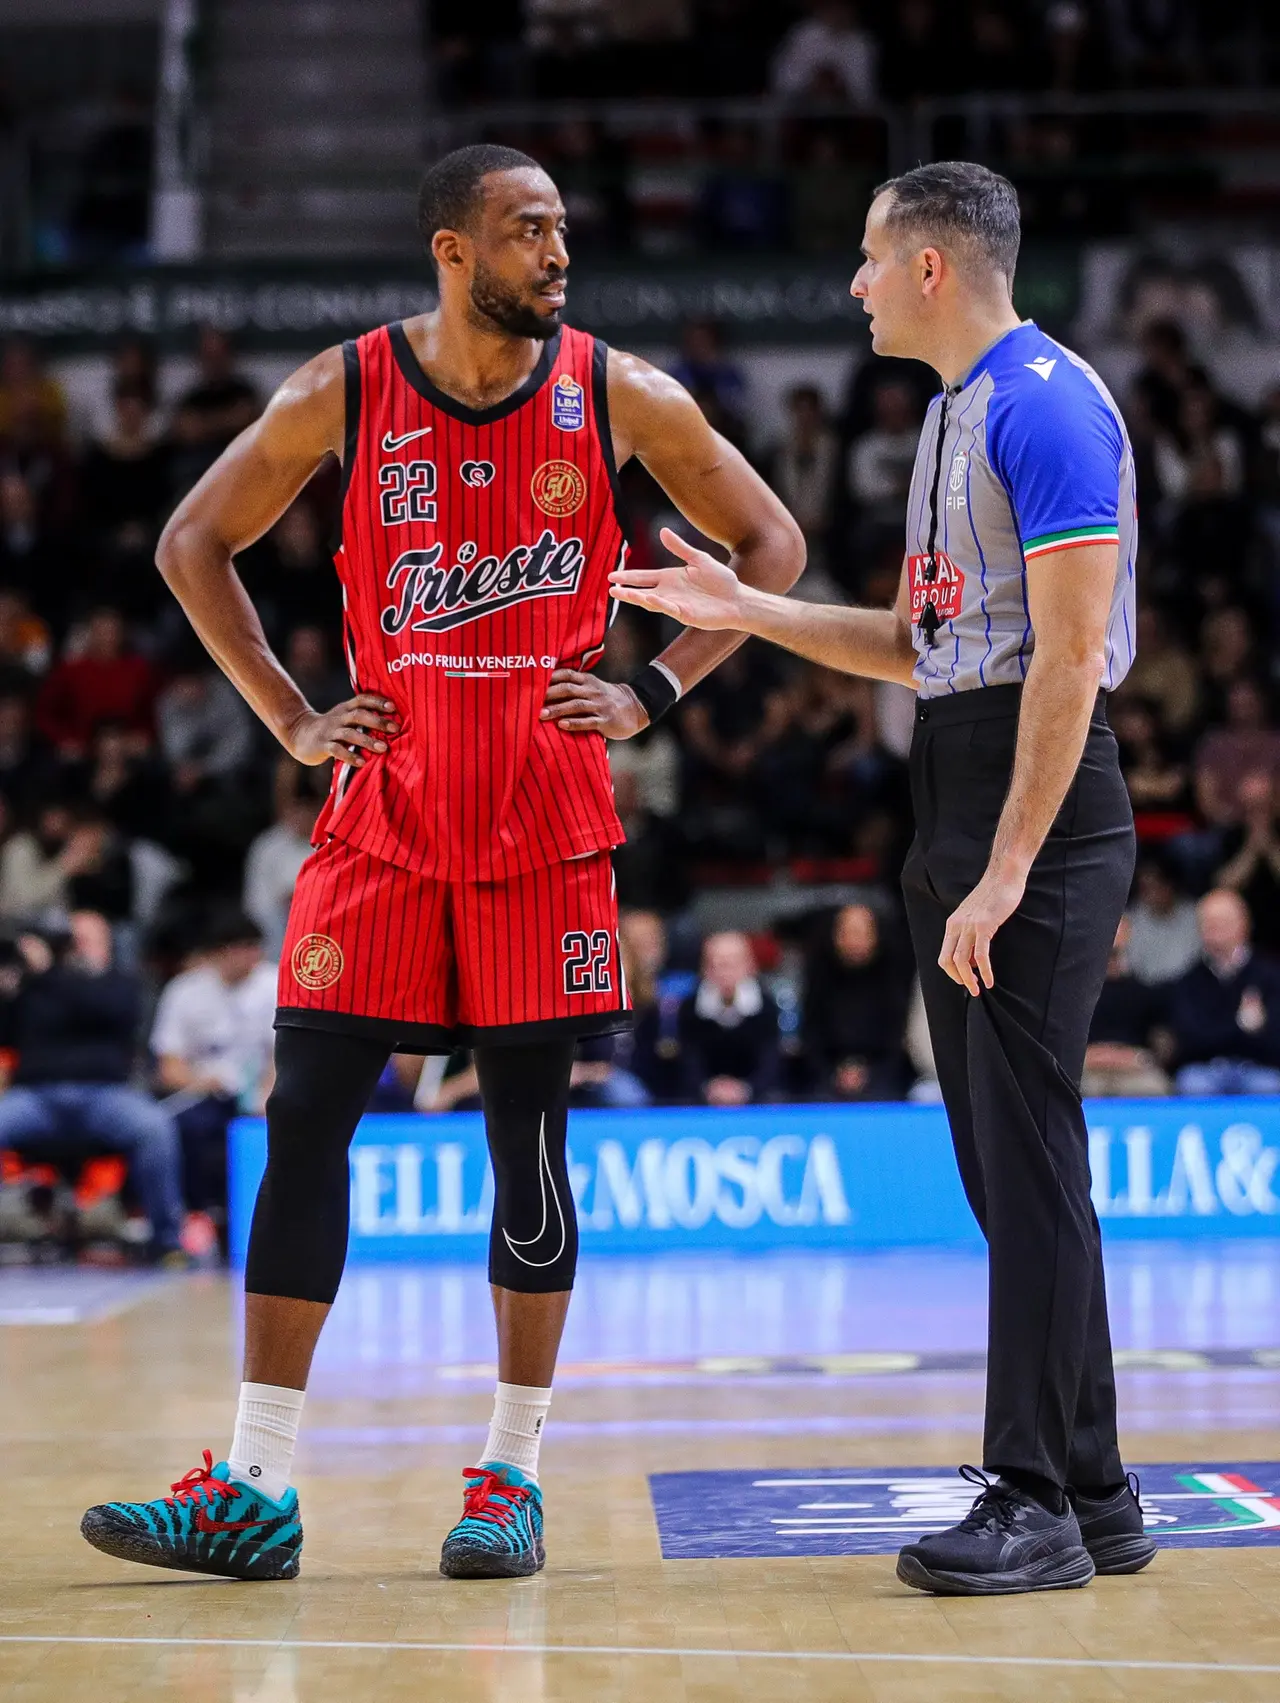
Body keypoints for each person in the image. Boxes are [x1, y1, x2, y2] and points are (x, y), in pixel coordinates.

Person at [80, 143, 803, 1583]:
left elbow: (770, 543)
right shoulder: (346, 388)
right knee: (303, 1122)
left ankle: (510, 1475)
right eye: (527, 229)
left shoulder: (620, 391)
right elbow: (190, 543)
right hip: (384, 823)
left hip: (545, 828)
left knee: (526, 1145)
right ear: (452, 249)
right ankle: (256, 1483)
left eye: (563, 229)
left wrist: (656, 688)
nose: (559, 252)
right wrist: (289, 713)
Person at [613, 160, 1155, 1594]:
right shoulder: (949, 412)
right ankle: (1095, 1487)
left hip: (1037, 802)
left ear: (929, 266)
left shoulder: (1045, 403)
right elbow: (923, 651)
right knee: (1009, 1166)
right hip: (957, 781)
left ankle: (1031, 1497)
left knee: (1027, 1157)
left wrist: (1008, 863)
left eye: (866, 257)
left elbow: (1066, 657)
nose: (850, 283)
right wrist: (750, 609)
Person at [0, 909, 184, 1261]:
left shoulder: (120, 984)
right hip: (37, 1098)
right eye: (72, 939)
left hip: (105, 1096)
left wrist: (47, 973)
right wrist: (12, 986)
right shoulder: (32, 984)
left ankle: (167, 1241)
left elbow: (101, 1008)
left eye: (85, 940)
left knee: (154, 1128)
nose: (76, 947)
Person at [151, 912, 277, 1235]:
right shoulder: (185, 991)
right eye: (242, 948)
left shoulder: (273, 984)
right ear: (220, 952)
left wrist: (268, 1095)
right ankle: (193, 1215)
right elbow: (169, 1065)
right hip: (205, 1095)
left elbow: (282, 1055)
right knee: (169, 1130)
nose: (251, 956)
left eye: (255, 947)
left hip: (261, 1094)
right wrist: (200, 1082)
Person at [1166, 889, 1280, 1096]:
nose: (1214, 931)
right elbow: (1189, 1041)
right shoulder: (1189, 981)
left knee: (1268, 1085)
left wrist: (1221, 1031)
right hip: (1205, 1070)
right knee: (1192, 1084)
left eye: (1222, 923)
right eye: (1208, 924)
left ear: (1244, 924)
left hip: (1258, 1068)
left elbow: (1274, 1041)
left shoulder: (1271, 975)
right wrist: (1242, 1027)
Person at [801, 902, 911, 1100]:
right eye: (847, 932)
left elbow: (898, 1037)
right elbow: (811, 1034)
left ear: (874, 935)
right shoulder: (819, 977)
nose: (853, 940)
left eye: (860, 933)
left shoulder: (893, 978)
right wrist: (832, 1073)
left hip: (884, 1075)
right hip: (827, 1076)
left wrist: (872, 1074)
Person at [677, 931, 781, 1105]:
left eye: (732, 963)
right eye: (716, 964)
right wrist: (708, 1088)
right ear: (704, 968)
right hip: (702, 1101)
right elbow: (688, 1061)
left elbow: (770, 1062)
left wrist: (747, 1089)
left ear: (750, 966)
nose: (724, 972)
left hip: (757, 1100)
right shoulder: (689, 1008)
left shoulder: (766, 1007)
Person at [1080, 918, 1171, 1098]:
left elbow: (1157, 1046)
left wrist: (1136, 1057)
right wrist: (1092, 1056)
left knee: (1155, 1087)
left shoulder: (1143, 992)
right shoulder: (1077, 992)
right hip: (1086, 1067)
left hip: (1134, 1067)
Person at [1124, 853, 1200, 987]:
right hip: (1142, 990)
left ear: (1168, 886)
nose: (1145, 894)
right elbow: (1131, 965)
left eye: (1151, 887)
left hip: (1186, 987)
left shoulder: (1195, 915)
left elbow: (1195, 960)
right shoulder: (1131, 919)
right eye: (1143, 888)